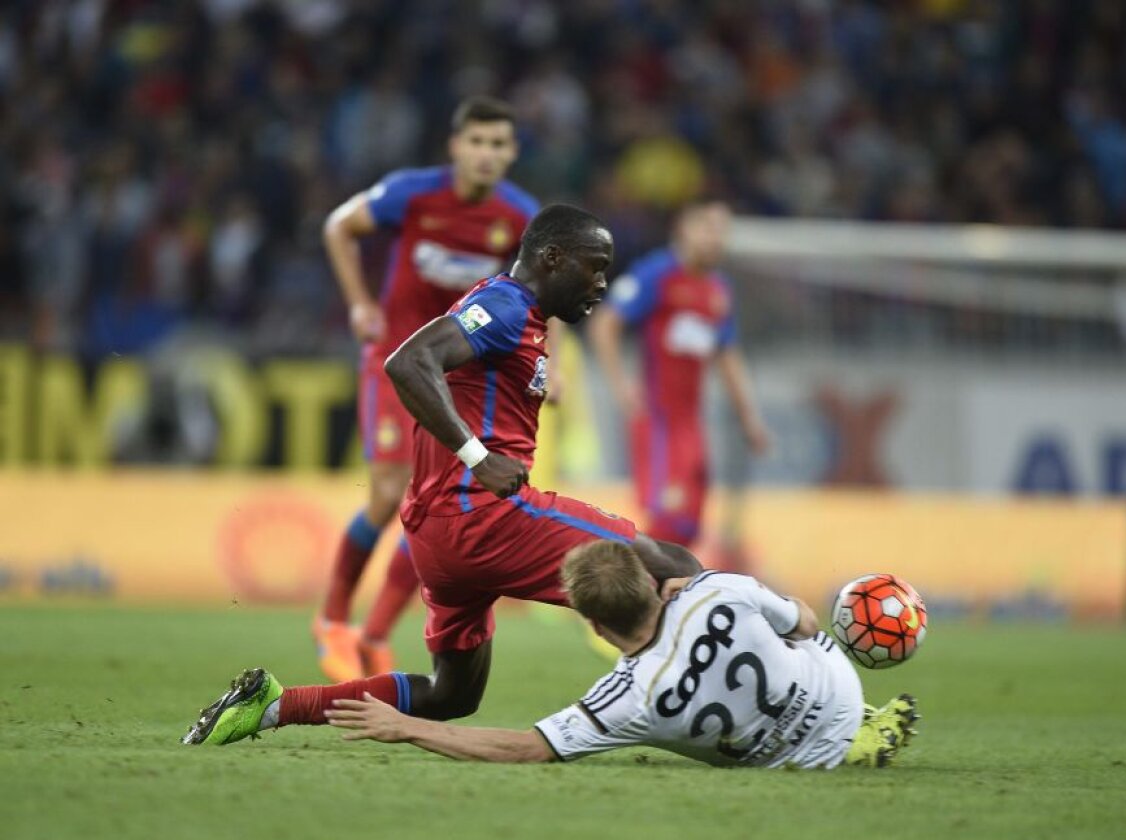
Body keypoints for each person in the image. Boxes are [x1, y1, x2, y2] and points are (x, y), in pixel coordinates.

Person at [182, 204, 703, 742]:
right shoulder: (504, 306)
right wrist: (479, 456)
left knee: (451, 694)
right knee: (671, 564)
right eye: (595, 266)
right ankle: (764, 694)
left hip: (438, 534)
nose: (601, 282)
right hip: (483, 516)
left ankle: (271, 705)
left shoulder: (522, 317)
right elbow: (407, 362)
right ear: (552, 258)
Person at [181, 540, 919, 770]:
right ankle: (858, 724)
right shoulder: (713, 590)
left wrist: (410, 729)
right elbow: (804, 622)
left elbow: (524, 745)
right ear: (658, 588)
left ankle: (280, 705)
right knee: (801, 642)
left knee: (448, 691)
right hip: (838, 693)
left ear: (594, 627)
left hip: (797, 760)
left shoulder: (628, 698)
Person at [315, 95, 539, 682]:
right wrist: (360, 303)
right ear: (456, 146)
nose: (487, 154)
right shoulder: (411, 193)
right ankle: (333, 620)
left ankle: (375, 633)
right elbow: (339, 227)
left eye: (498, 144)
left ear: (512, 152)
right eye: (478, 142)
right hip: (396, 359)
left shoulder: (518, 217)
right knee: (390, 492)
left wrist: (554, 363)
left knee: (432, 504)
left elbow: (544, 296)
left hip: (460, 377)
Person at [589, 199, 771, 553]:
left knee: (690, 526)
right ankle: (619, 596)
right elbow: (605, 323)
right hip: (657, 419)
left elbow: (727, 355)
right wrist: (620, 384)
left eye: (722, 231)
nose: (715, 238)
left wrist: (750, 418)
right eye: (707, 228)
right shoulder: (657, 274)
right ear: (683, 230)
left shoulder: (718, 289)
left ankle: (665, 602)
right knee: (666, 520)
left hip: (691, 424)